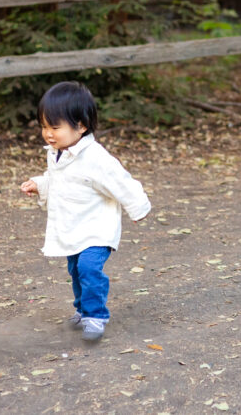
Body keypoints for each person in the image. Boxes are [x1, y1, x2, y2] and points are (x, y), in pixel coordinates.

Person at [20, 81, 151, 340]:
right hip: (73, 227)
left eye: (55, 127)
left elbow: (121, 182)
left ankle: (96, 315)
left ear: (81, 125)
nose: (48, 133)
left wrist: (138, 207)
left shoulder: (95, 158)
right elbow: (61, 181)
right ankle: (81, 309)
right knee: (75, 270)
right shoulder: (58, 152)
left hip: (96, 229)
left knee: (89, 268)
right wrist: (40, 184)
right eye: (44, 126)